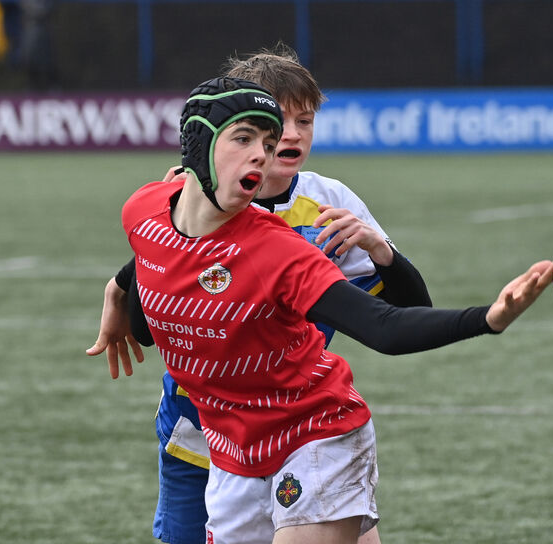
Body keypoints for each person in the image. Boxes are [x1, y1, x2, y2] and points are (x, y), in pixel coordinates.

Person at [91, 75, 553, 544]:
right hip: (224, 444)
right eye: (246, 138)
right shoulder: (146, 209)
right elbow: (160, 254)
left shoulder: (281, 246)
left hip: (313, 429)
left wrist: (488, 318)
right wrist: (119, 289)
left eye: (273, 139)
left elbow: (385, 325)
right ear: (197, 146)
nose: (268, 150)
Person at [88, 46, 430, 544]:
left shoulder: (329, 204)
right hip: (198, 426)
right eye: (276, 120)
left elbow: (407, 313)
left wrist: (381, 250)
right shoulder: (192, 193)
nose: (291, 134)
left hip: (293, 422)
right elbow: (152, 319)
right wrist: (124, 285)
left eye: (304, 120)